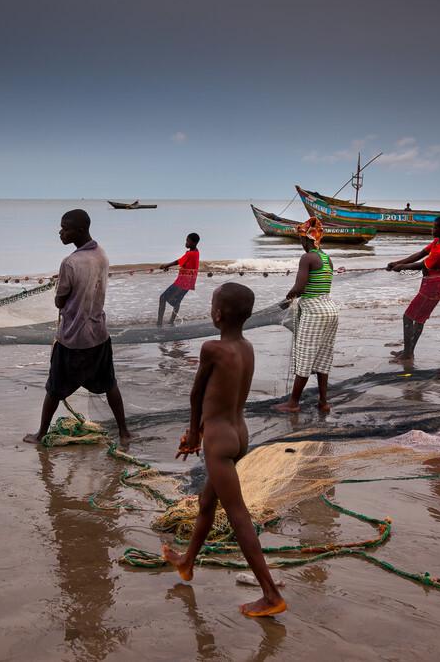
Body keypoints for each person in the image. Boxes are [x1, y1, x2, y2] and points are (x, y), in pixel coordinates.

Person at [161, 282, 287, 618]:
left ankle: (271, 594)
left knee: (237, 514)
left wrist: (193, 433)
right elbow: (223, 395)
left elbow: (197, 395)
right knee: (207, 503)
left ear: (217, 314)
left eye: (212, 305)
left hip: (218, 440)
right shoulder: (247, 347)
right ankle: (187, 562)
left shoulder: (212, 349)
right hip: (239, 434)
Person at [24, 209, 132, 443]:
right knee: (109, 383)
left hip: (73, 337)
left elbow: (60, 301)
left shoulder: (70, 262)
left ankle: (41, 434)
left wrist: (58, 292)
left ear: (80, 230)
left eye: (65, 228)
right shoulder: (101, 254)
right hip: (98, 333)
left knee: (54, 388)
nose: (60, 232)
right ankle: (124, 432)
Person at [273, 218, 338, 413]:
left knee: (305, 354)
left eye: (301, 238)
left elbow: (300, 288)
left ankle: (293, 403)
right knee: (323, 355)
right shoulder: (327, 258)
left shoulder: (307, 258)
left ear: (307, 238)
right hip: (330, 310)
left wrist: (288, 297)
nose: (300, 242)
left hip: (314, 311)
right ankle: (323, 402)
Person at [386, 215, 440, 362]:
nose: (432, 230)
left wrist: (401, 267)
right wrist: (397, 263)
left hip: (434, 286)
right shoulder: (439, 241)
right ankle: (408, 351)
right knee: (418, 319)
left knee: (409, 317)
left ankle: (407, 354)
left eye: (435, 227)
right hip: (431, 283)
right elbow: (421, 254)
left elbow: (422, 264)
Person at [157, 232, 201, 326]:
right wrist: (168, 266)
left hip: (183, 281)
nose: (186, 243)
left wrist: (166, 265)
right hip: (189, 281)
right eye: (186, 240)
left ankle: (159, 323)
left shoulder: (190, 254)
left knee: (163, 297)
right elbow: (184, 263)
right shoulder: (196, 252)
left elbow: (178, 261)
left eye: (188, 241)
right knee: (177, 301)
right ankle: (171, 321)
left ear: (194, 243)